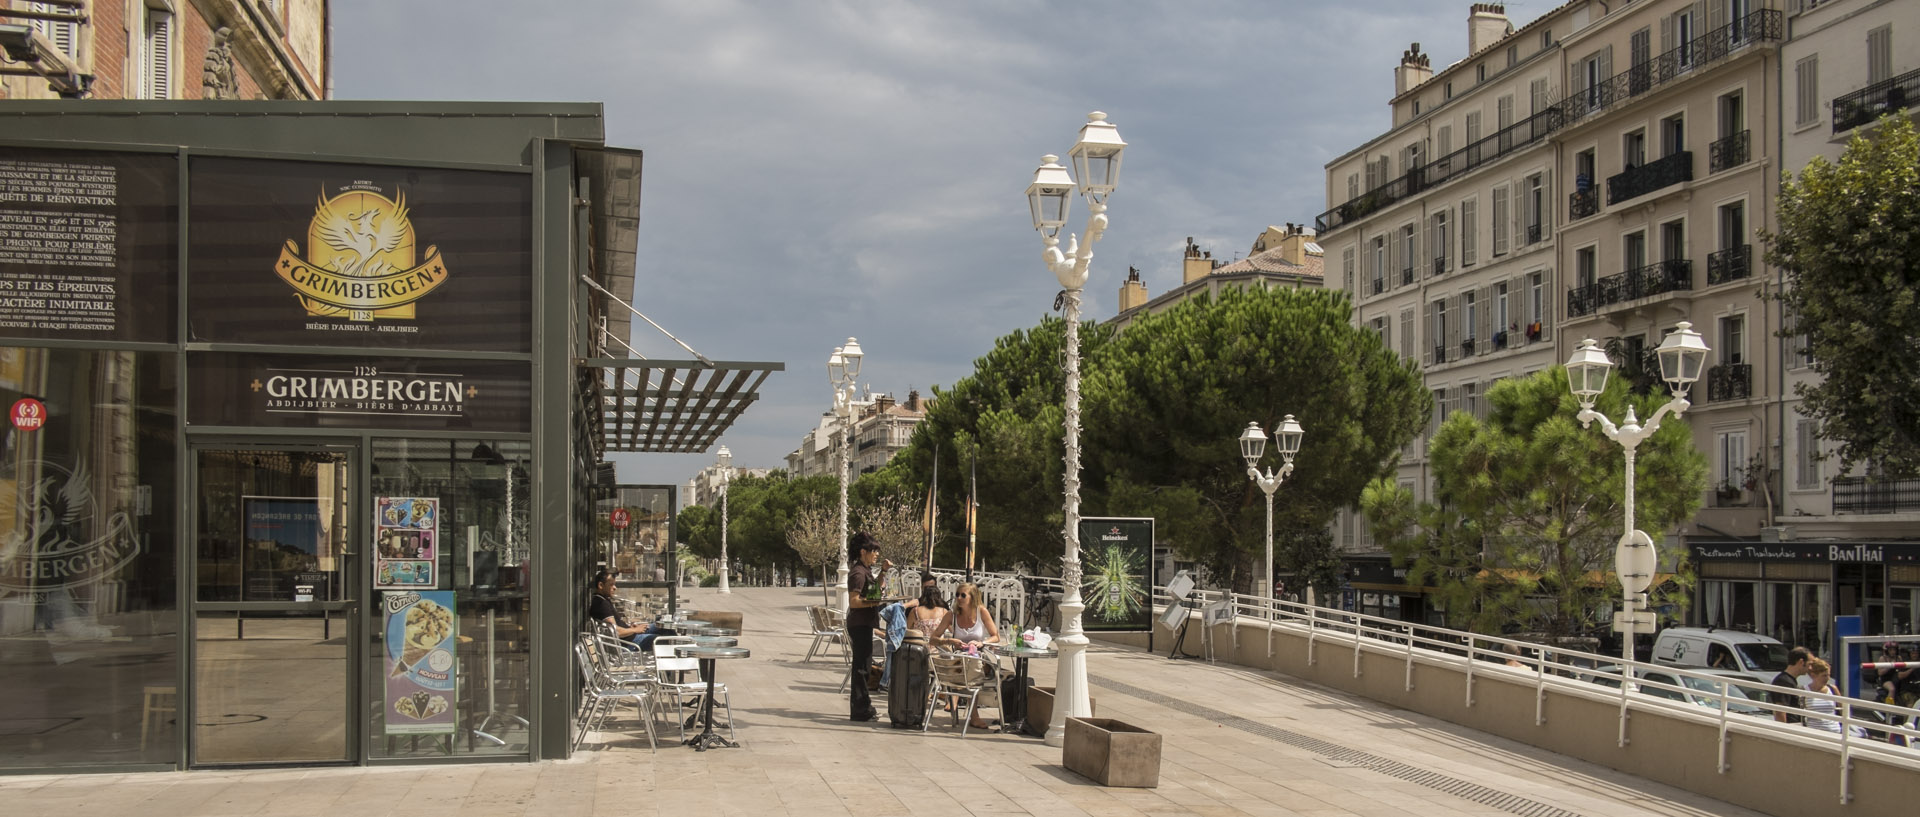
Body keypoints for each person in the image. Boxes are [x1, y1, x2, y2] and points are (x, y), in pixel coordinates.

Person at [938, 581, 1002, 730]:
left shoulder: (982, 612)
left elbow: (996, 636)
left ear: (972, 598)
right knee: (967, 667)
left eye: (963, 595)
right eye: (957, 595)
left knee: (972, 664)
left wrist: (982, 643)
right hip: (958, 659)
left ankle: (955, 699)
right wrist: (950, 640)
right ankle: (973, 714)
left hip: (977, 657)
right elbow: (934, 638)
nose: (958, 598)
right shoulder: (951, 615)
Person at [845, 532, 892, 722]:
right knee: (861, 669)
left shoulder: (866, 571)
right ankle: (859, 709)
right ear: (863, 551)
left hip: (865, 624)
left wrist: (883, 571)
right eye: (873, 551)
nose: (876, 555)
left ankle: (864, 706)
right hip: (859, 625)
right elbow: (855, 602)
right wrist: (872, 604)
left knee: (864, 666)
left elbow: (873, 591)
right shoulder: (857, 573)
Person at [587, 569, 669, 651]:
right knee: (662, 639)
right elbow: (615, 632)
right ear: (601, 585)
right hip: (629, 643)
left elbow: (616, 627)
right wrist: (634, 630)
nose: (615, 588)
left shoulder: (602, 600)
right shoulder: (601, 604)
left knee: (665, 628)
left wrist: (629, 628)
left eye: (614, 584)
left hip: (630, 635)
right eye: (611, 585)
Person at [1802, 657, 1867, 737]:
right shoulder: (1804, 690)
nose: (1827, 678)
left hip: (1834, 732)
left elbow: (1844, 710)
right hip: (1813, 733)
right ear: (1813, 675)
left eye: (1828, 675)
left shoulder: (1832, 689)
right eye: (1824, 675)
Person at [1771, 645, 1811, 724]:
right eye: (1809, 664)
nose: (1810, 668)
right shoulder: (1783, 682)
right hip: (1791, 727)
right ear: (1801, 662)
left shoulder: (1790, 680)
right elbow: (1780, 711)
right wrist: (1784, 731)